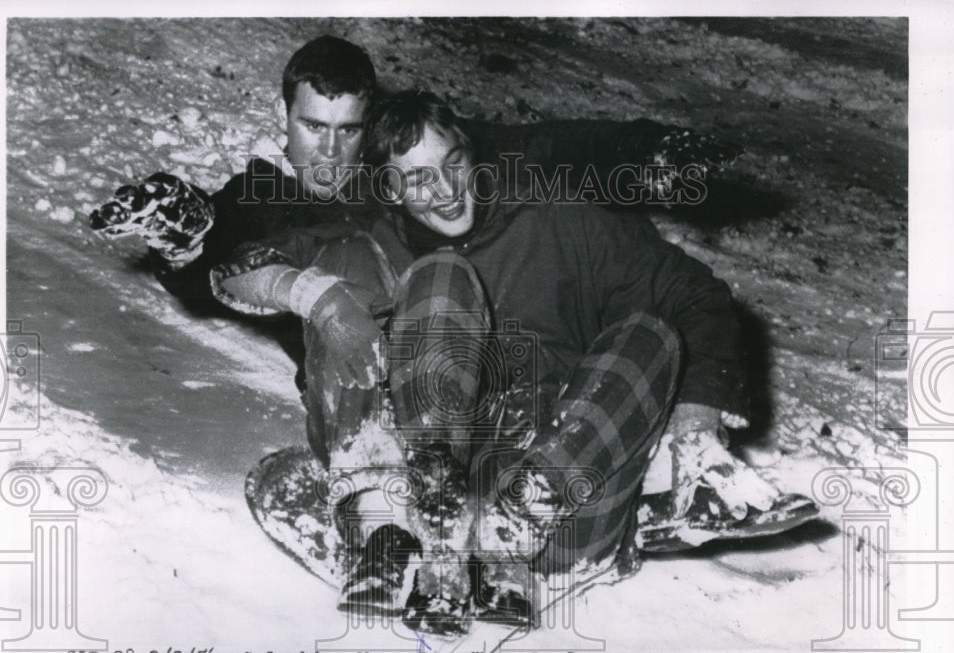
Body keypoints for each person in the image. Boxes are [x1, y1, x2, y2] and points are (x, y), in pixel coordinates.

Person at [213, 91, 809, 636]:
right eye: (417, 179)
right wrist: (311, 295)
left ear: (471, 155)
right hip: (419, 478)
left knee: (651, 333)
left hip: (548, 503)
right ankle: (397, 521)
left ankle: (512, 528)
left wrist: (697, 427)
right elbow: (241, 267)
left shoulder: (554, 218)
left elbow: (695, 295)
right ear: (389, 189)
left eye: (452, 166)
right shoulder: (374, 237)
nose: (444, 190)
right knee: (438, 278)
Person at [90, 35, 740, 389]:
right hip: (370, 382)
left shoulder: (403, 167)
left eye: (349, 129)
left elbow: (539, 148)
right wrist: (185, 241)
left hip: (475, 353)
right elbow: (222, 262)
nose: (331, 149)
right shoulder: (256, 197)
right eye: (314, 127)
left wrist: (641, 152)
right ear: (281, 118)